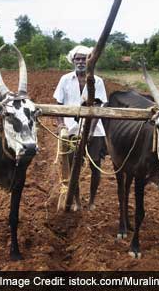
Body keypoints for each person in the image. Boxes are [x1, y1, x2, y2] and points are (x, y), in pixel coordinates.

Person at [53, 45, 107, 211]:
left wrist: (90, 131)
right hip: (71, 129)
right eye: (78, 59)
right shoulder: (65, 79)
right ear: (73, 61)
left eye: (84, 58)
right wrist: (61, 123)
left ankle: (91, 200)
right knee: (72, 165)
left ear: (90, 60)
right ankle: (76, 200)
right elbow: (58, 104)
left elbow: (99, 108)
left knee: (95, 165)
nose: (81, 62)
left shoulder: (97, 81)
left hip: (95, 131)